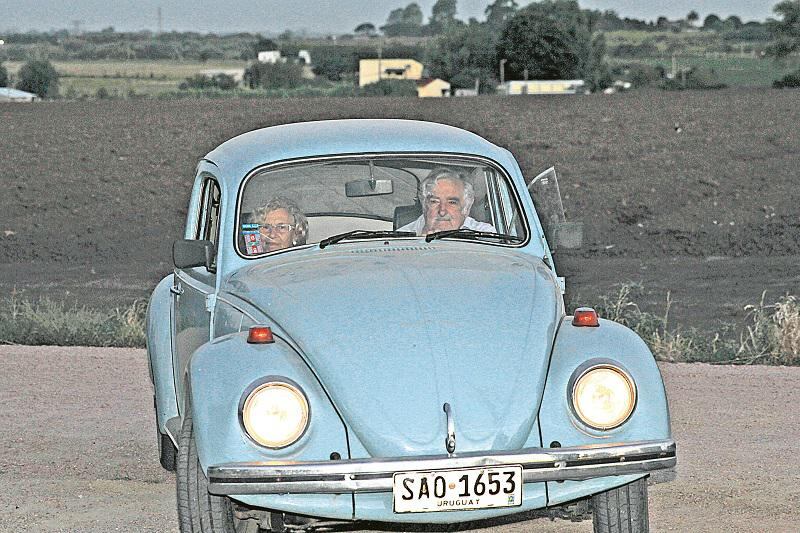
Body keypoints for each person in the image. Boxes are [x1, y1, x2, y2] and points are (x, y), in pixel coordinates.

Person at [399, 168, 496, 236]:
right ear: (424, 205)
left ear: (466, 208)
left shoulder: (485, 235)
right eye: (434, 201)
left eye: (452, 202)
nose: (442, 211)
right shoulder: (401, 239)